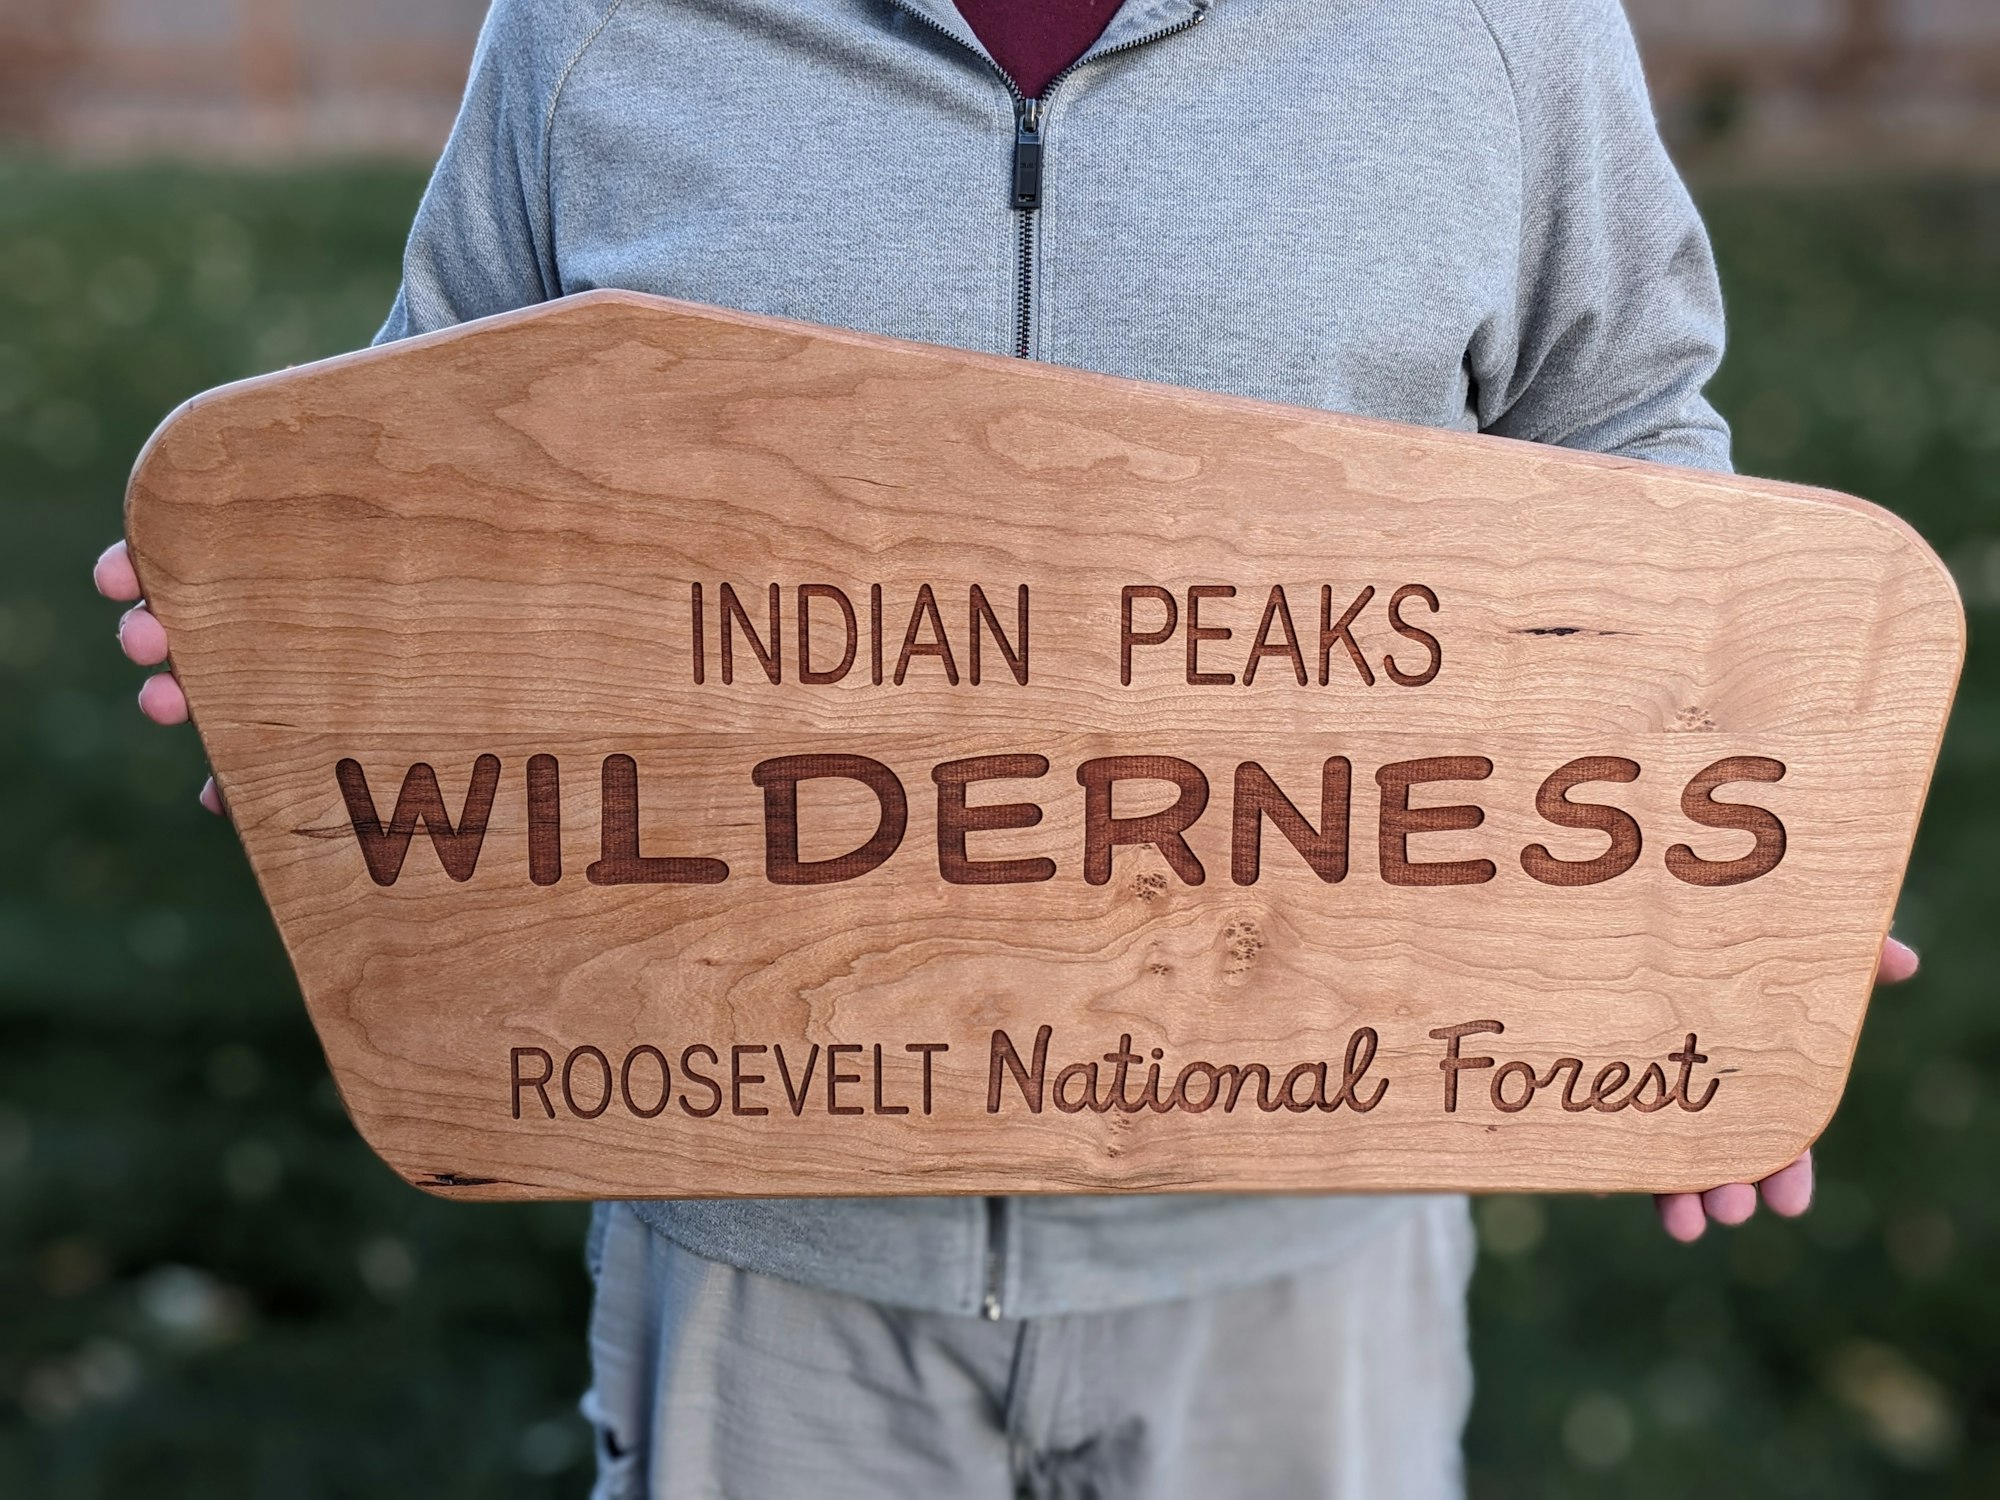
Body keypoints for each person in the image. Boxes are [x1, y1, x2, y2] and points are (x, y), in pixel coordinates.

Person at [93, 1, 1923, 1494]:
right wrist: (306, 656)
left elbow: (1621, 439)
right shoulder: (600, 26)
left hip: (1299, 1242)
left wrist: (1703, 919)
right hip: (762, 1249)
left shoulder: (1490, 29)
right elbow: (434, 460)